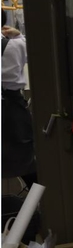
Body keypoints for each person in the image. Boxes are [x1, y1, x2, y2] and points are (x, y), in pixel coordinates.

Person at [1, 11, 36, 187]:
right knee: (26, 160)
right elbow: (37, 56)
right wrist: (20, 36)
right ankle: (42, 205)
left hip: (11, 106)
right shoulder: (17, 45)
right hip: (13, 107)